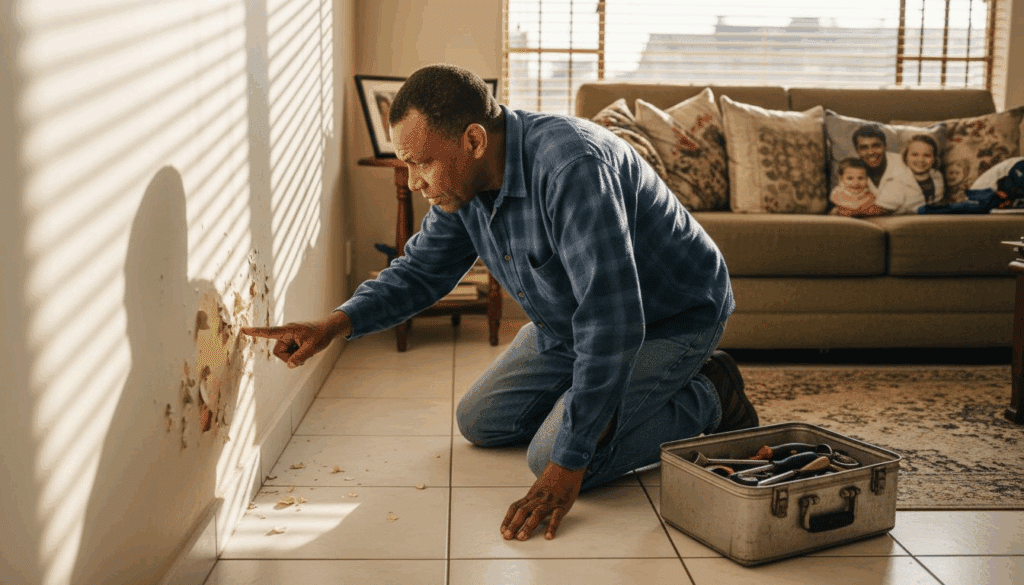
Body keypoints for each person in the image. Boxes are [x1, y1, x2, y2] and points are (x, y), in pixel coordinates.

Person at [240, 63, 757, 542]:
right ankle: (601, 401)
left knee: (551, 455)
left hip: (669, 318)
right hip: (567, 326)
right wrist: (334, 325)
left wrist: (568, 462)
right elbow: (421, 271)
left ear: (473, 140)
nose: (415, 183)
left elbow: (612, 322)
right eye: (407, 164)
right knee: (481, 421)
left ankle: (713, 393)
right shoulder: (463, 184)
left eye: (422, 163)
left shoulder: (572, 168)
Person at [849, 124, 925, 215]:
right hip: (880, 217)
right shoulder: (853, 170)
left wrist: (846, 210)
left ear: (884, 146)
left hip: (916, 217)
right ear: (857, 151)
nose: (871, 152)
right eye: (864, 148)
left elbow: (882, 208)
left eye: (876, 146)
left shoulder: (903, 163)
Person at [902, 134, 945, 208]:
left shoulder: (938, 177)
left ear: (934, 158)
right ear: (906, 156)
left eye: (927, 155)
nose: (921, 160)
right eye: (915, 155)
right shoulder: (897, 181)